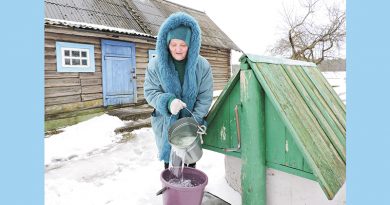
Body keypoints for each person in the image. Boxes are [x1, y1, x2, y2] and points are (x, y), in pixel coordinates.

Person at [144, 12, 213, 169]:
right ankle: (172, 191)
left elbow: (205, 96)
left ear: (191, 45)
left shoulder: (202, 66)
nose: (178, 49)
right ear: (167, 44)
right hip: (166, 124)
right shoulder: (155, 65)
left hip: (192, 123)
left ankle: (189, 191)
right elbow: (150, 92)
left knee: (190, 162)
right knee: (170, 164)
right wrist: (168, 102)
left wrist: (193, 123)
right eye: (173, 44)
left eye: (183, 45)